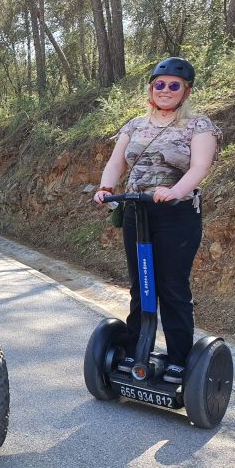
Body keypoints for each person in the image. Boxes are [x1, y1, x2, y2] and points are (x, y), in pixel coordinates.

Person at [93, 57, 220, 384]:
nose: (165, 90)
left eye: (173, 85)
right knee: (141, 286)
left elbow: (199, 168)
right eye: (159, 84)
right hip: (137, 210)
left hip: (176, 214)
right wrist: (106, 188)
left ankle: (179, 358)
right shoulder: (135, 125)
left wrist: (174, 191)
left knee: (171, 287)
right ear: (151, 88)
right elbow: (116, 163)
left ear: (185, 91)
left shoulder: (198, 126)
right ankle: (137, 351)